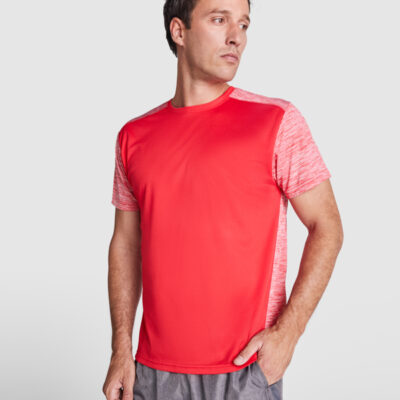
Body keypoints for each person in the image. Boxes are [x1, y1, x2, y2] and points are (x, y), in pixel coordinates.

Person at [102, 0, 344, 399]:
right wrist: (121, 350)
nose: (237, 37)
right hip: (153, 372)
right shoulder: (134, 137)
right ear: (179, 31)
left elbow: (327, 226)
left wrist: (288, 333)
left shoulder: (276, 121)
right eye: (219, 20)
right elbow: (125, 244)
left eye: (244, 25)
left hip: (245, 369)